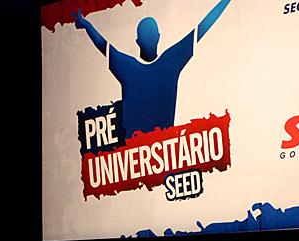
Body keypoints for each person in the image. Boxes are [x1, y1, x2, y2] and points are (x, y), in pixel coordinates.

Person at [75, 0, 231, 138]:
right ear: (158, 37)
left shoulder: (127, 66)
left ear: (137, 41)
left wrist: (86, 25)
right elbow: (202, 28)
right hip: (161, 152)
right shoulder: (169, 62)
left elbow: (103, 45)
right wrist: (226, 1)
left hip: (136, 154)